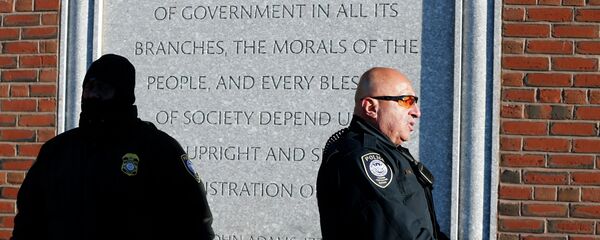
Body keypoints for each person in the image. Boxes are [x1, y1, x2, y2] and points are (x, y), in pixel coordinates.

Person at [12, 54, 215, 240]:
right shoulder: (57, 151)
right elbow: (28, 221)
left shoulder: (158, 149)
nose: (93, 96)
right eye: (89, 88)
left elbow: (195, 222)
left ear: (123, 95)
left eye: (103, 89)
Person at [316, 67, 448, 239]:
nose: (417, 112)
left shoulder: (391, 153)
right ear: (371, 107)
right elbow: (400, 231)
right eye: (406, 101)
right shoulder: (360, 157)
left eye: (415, 102)